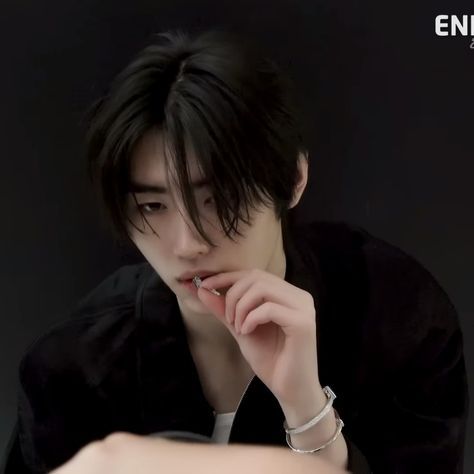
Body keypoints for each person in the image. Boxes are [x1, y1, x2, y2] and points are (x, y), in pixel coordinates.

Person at [1, 29, 468, 474]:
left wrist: (307, 412)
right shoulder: (72, 370)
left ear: (293, 180)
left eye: (218, 200)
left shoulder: (397, 318)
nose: (188, 245)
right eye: (152, 206)